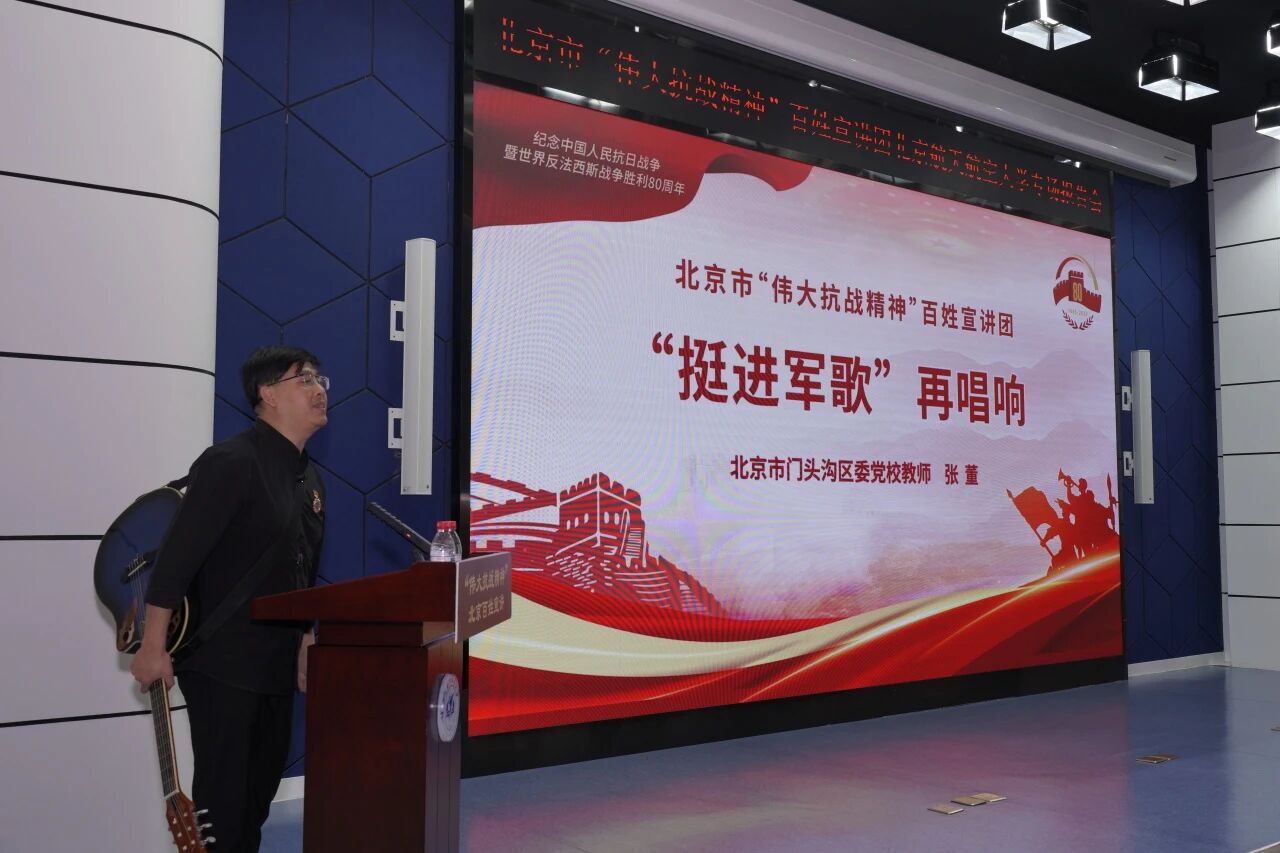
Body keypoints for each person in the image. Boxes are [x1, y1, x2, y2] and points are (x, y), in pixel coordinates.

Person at [131, 345, 329, 853]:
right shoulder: (230, 462)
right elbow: (176, 561)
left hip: (276, 663)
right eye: (304, 379)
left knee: (257, 801)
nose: (319, 390)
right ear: (268, 394)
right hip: (223, 664)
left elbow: (304, 568)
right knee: (224, 807)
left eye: (319, 379)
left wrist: (306, 638)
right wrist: (152, 646)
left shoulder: (309, 478)